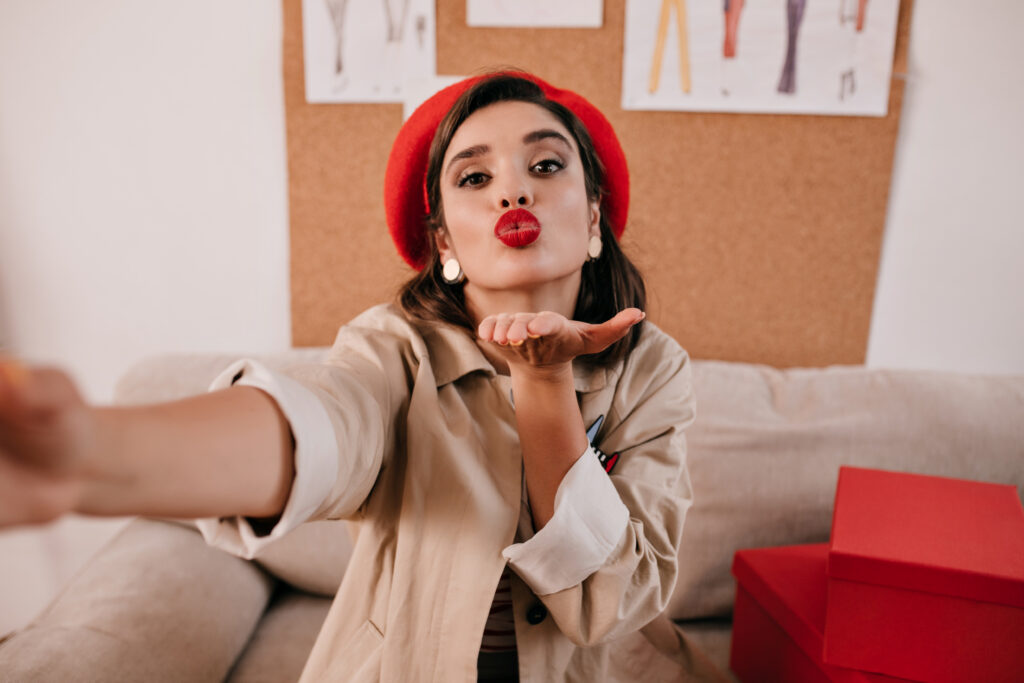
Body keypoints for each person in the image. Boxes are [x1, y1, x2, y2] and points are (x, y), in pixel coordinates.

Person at [0, 71, 724, 682]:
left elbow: (608, 603)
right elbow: (322, 427)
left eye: (545, 166)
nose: (512, 192)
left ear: (594, 214)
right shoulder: (393, 348)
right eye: (475, 176)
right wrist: (95, 450)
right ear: (443, 241)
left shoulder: (652, 368)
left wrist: (544, 382)